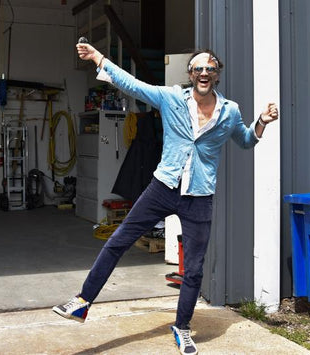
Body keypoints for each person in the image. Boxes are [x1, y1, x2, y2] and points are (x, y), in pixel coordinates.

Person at [52, 40, 279, 355]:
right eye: (198, 68)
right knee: (118, 240)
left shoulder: (229, 111)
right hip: (163, 187)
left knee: (195, 268)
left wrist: (262, 123)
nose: (203, 72)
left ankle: (182, 328)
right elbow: (133, 85)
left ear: (217, 75)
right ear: (190, 73)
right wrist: (100, 59)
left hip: (199, 195)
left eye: (209, 69)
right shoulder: (172, 97)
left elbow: (244, 140)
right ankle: (83, 301)